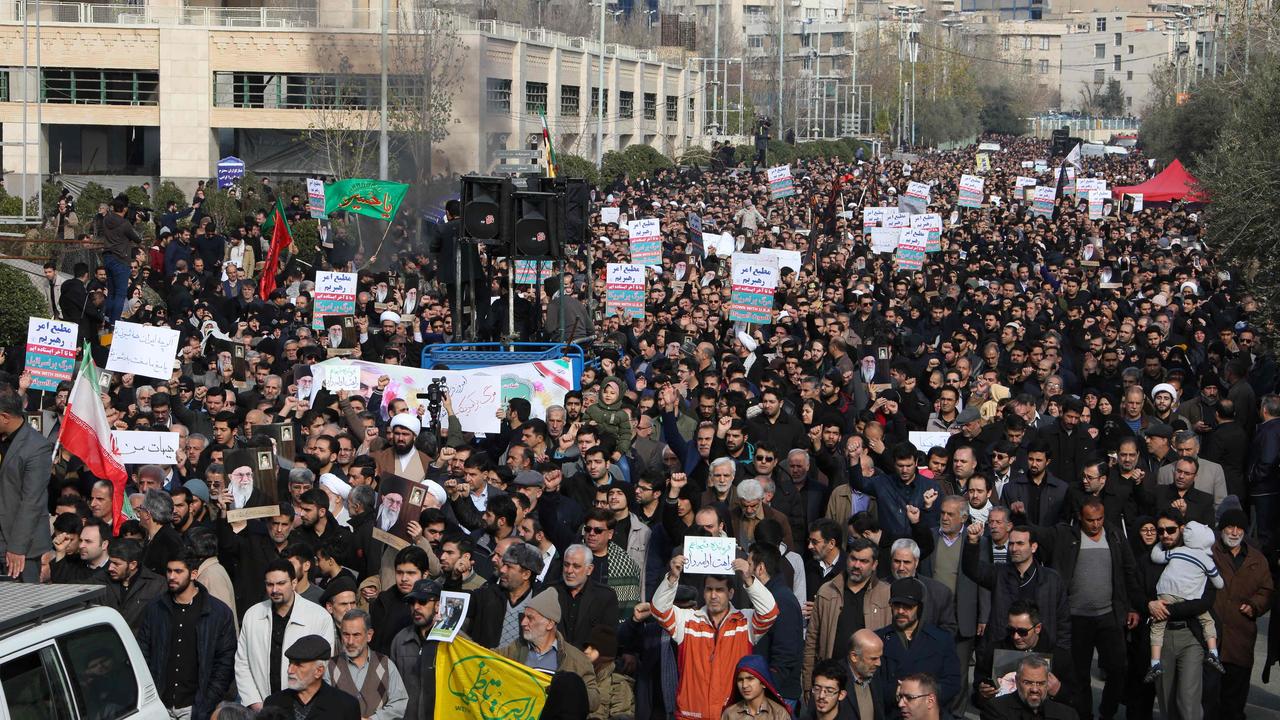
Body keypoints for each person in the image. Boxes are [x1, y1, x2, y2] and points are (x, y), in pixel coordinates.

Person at [652, 553, 779, 720]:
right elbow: (658, 610)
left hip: (733, 715)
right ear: (703, 592)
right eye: (709, 589)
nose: (713, 595)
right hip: (691, 715)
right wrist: (672, 577)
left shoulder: (745, 621)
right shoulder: (688, 620)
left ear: (731, 593)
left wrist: (749, 579)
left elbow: (770, 612)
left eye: (720, 590)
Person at [136, 553, 238, 720]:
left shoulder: (218, 613)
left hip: (196, 706)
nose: (172, 576)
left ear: (193, 574)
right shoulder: (155, 609)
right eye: (168, 571)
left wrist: (207, 702)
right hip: (159, 704)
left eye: (178, 571)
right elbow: (143, 651)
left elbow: (225, 662)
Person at [234, 559, 336, 710]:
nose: (275, 590)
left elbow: (324, 665)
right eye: (270, 584)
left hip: (303, 708)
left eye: (281, 583)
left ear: (294, 583)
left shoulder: (318, 616)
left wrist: (304, 706)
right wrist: (255, 704)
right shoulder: (253, 615)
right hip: (260, 708)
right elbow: (242, 662)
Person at [1209, 508, 1274, 720]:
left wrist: (1255, 605)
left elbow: (1267, 591)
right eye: (1230, 527)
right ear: (1222, 529)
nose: (1235, 532)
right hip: (1211, 638)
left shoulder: (1258, 559)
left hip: (1241, 639)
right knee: (1210, 699)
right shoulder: (1210, 552)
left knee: (1234, 700)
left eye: (1239, 528)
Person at [496, 587, 600, 713]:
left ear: (550, 623)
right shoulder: (515, 649)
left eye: (530, 618)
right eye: (524, 617)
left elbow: (594, 701)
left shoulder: (577, 660)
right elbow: (483, 656)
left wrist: (566, 690)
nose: (523, 622)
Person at [1145, 520, 1226, 681]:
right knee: (1208, 621)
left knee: (1157, 627)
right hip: (1188, 596)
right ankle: (1213, 653)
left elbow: (1156, 557)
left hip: (1165, 593)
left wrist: (1158, 544)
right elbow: (1219, 583)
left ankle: (1154, 663)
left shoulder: (1178, 551)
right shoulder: (1207, 560)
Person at [875, 578, 961, 715]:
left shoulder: (941, 640)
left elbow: (953, 682)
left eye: (908, 606)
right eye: (896, 605)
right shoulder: (878, 640)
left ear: (919, 607)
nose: (901, 611)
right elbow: (871, 684)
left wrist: (922, 695)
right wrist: (895, 692)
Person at [0, 390, 53, 580]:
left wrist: (17, 547)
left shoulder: (36, 447)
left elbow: (32, 501)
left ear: (4, 417)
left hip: (21, 546)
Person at [326, 608, 409, 720]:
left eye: (356, 635)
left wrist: (375, 719)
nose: (350, 641)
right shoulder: (329, 667)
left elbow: (399, 703)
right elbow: (322, 706)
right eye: (346, 635)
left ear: (369, 635)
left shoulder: (386, 665)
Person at [261, 635, 359, 720]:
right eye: (290, 663)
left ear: (319, 671)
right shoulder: (273, 703)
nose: (290, 670)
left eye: (298, 665)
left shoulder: (346, 706)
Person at [389, 579, 444, 720]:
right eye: (412, 602)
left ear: (438, 605)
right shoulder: (400, 640)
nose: (416, 607)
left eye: (422, 602)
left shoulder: (454, 642)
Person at [982, 655, 1078, 720]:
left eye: (1040, 683)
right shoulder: (996, 709)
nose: (1034, 689)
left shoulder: (1067, 715)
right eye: (1027, 683)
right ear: (1017, 680)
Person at [721, 655, 793, 720]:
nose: (744, 685)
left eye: (750, 679)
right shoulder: (730, 714)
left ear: (764, 683)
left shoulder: (779, 714)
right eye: (740, 680)